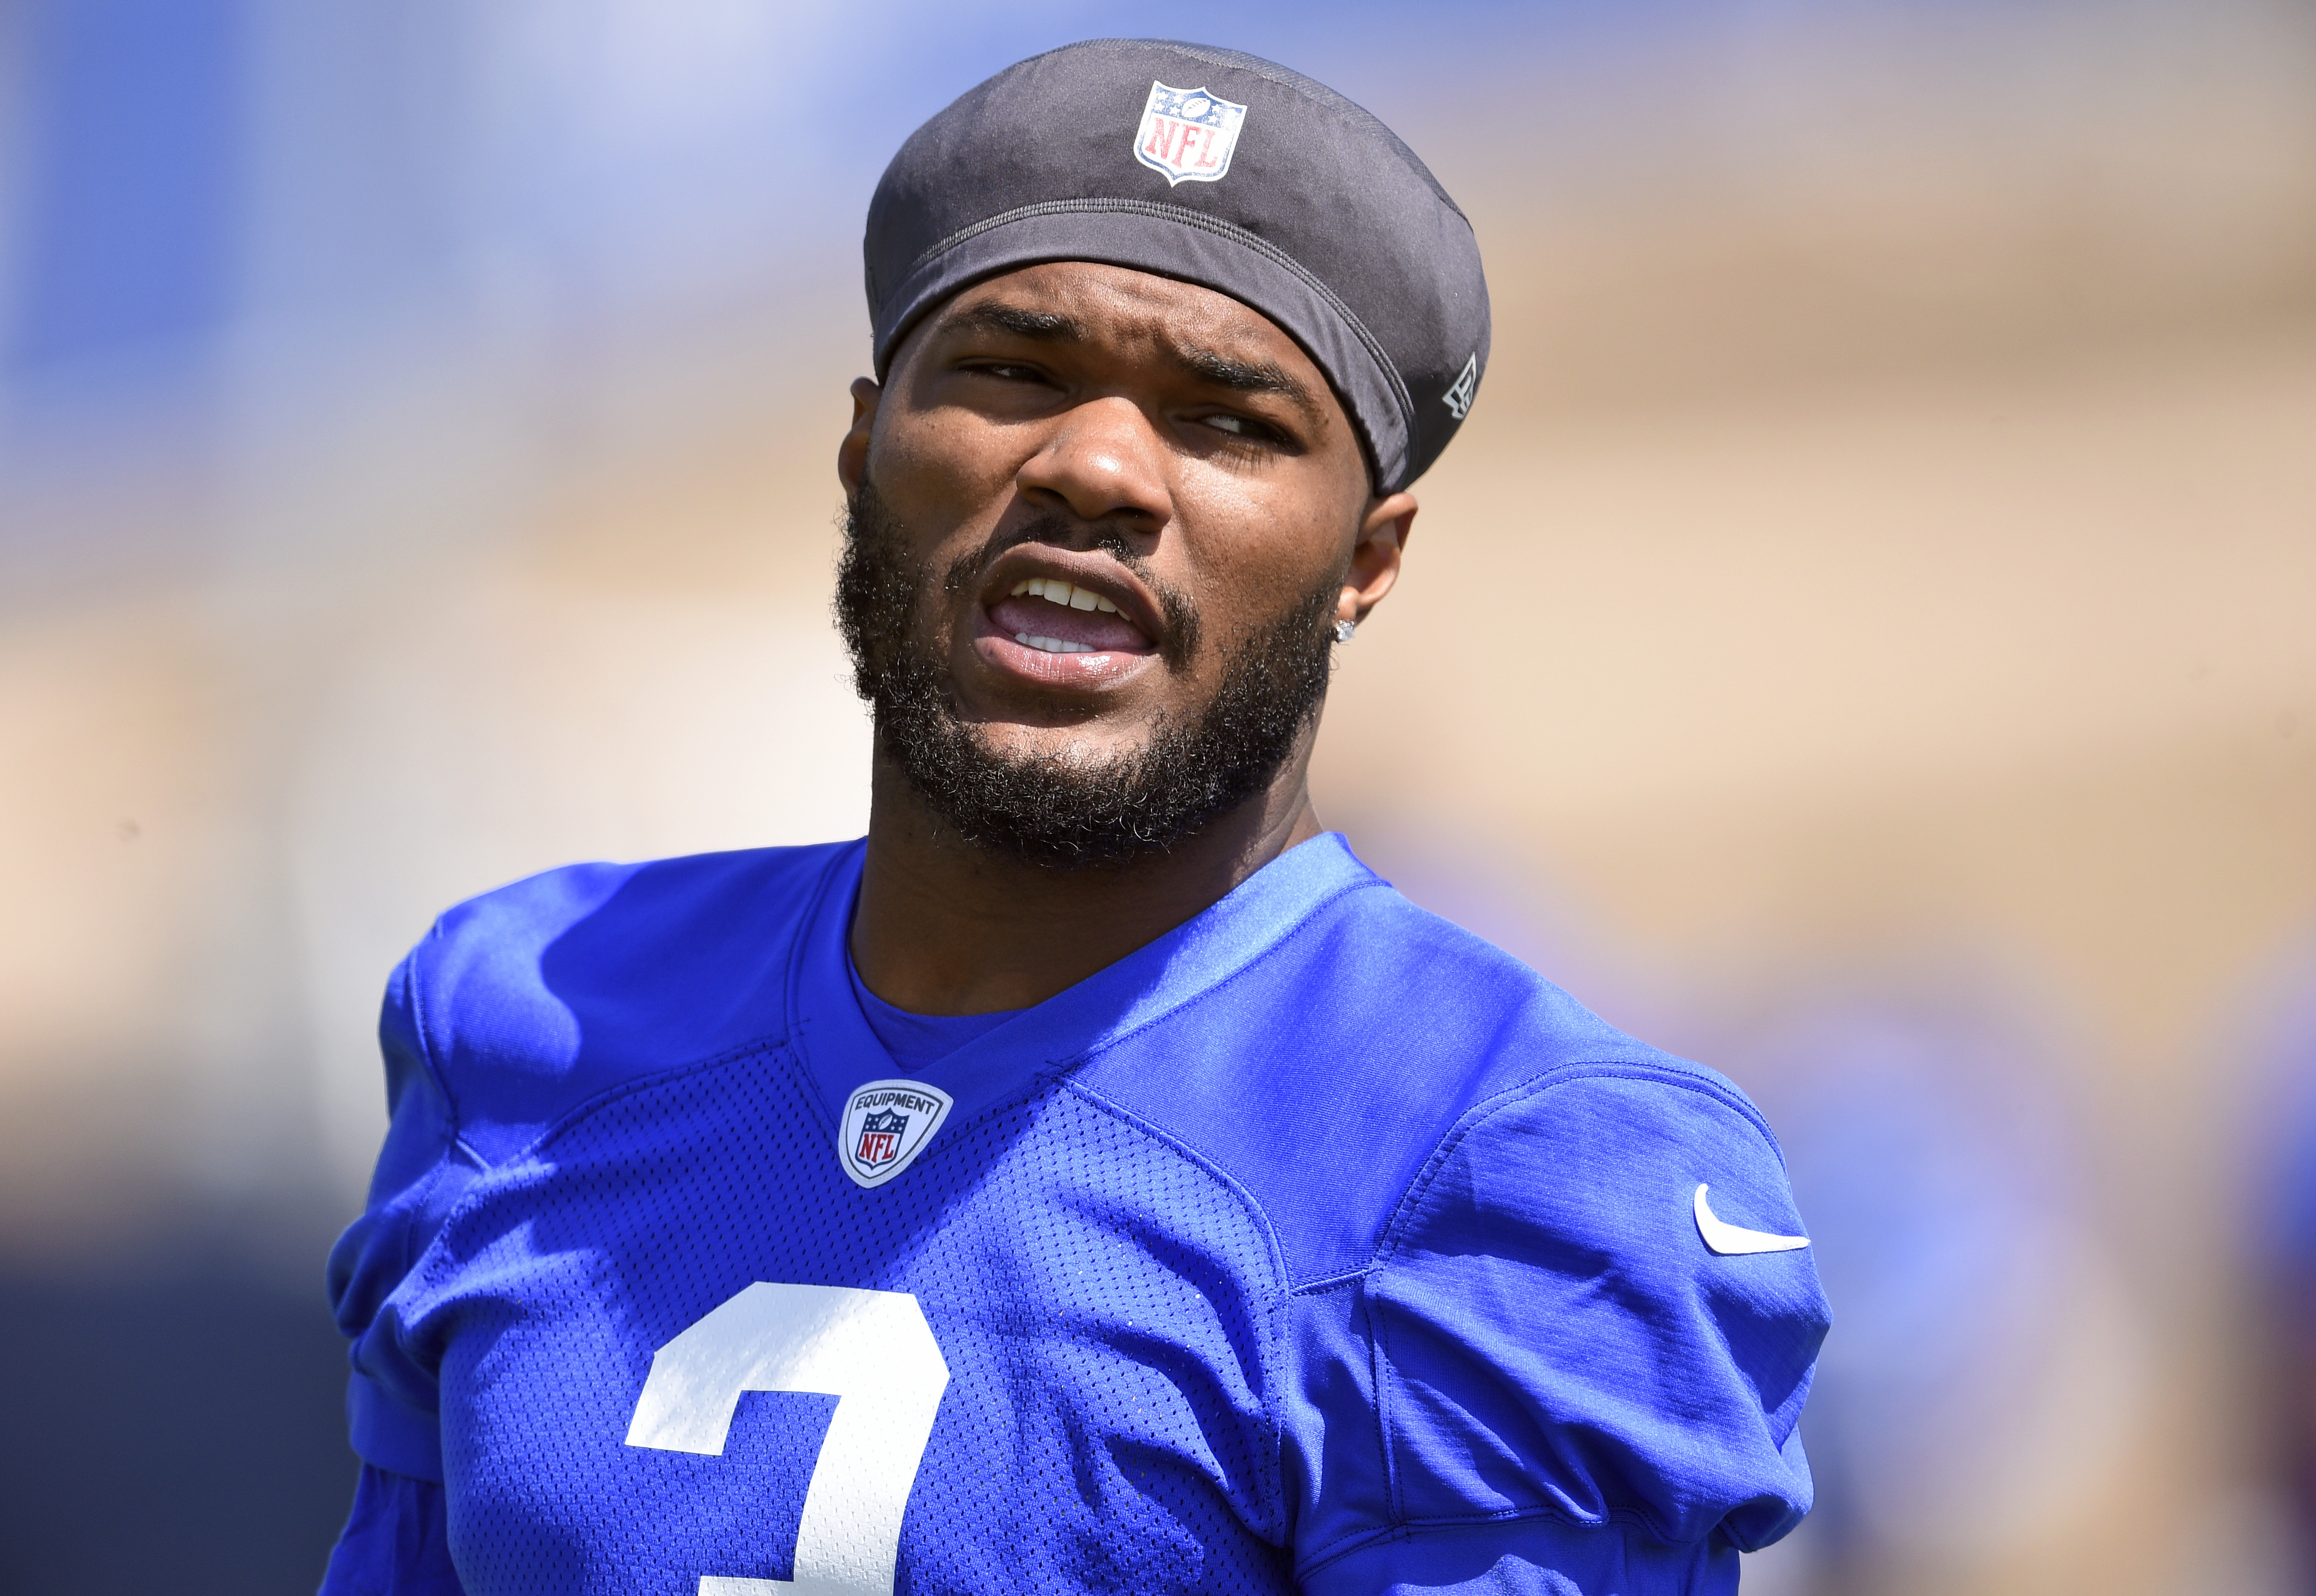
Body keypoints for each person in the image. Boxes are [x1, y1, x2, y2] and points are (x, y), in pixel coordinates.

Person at [320, 38, 1828, 1596]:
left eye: (1228, 419)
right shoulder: (542, 1012)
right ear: (863, 450)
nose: (1096, 464)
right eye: (1014, 371)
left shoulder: (1506, 1165)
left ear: (1366, 562)